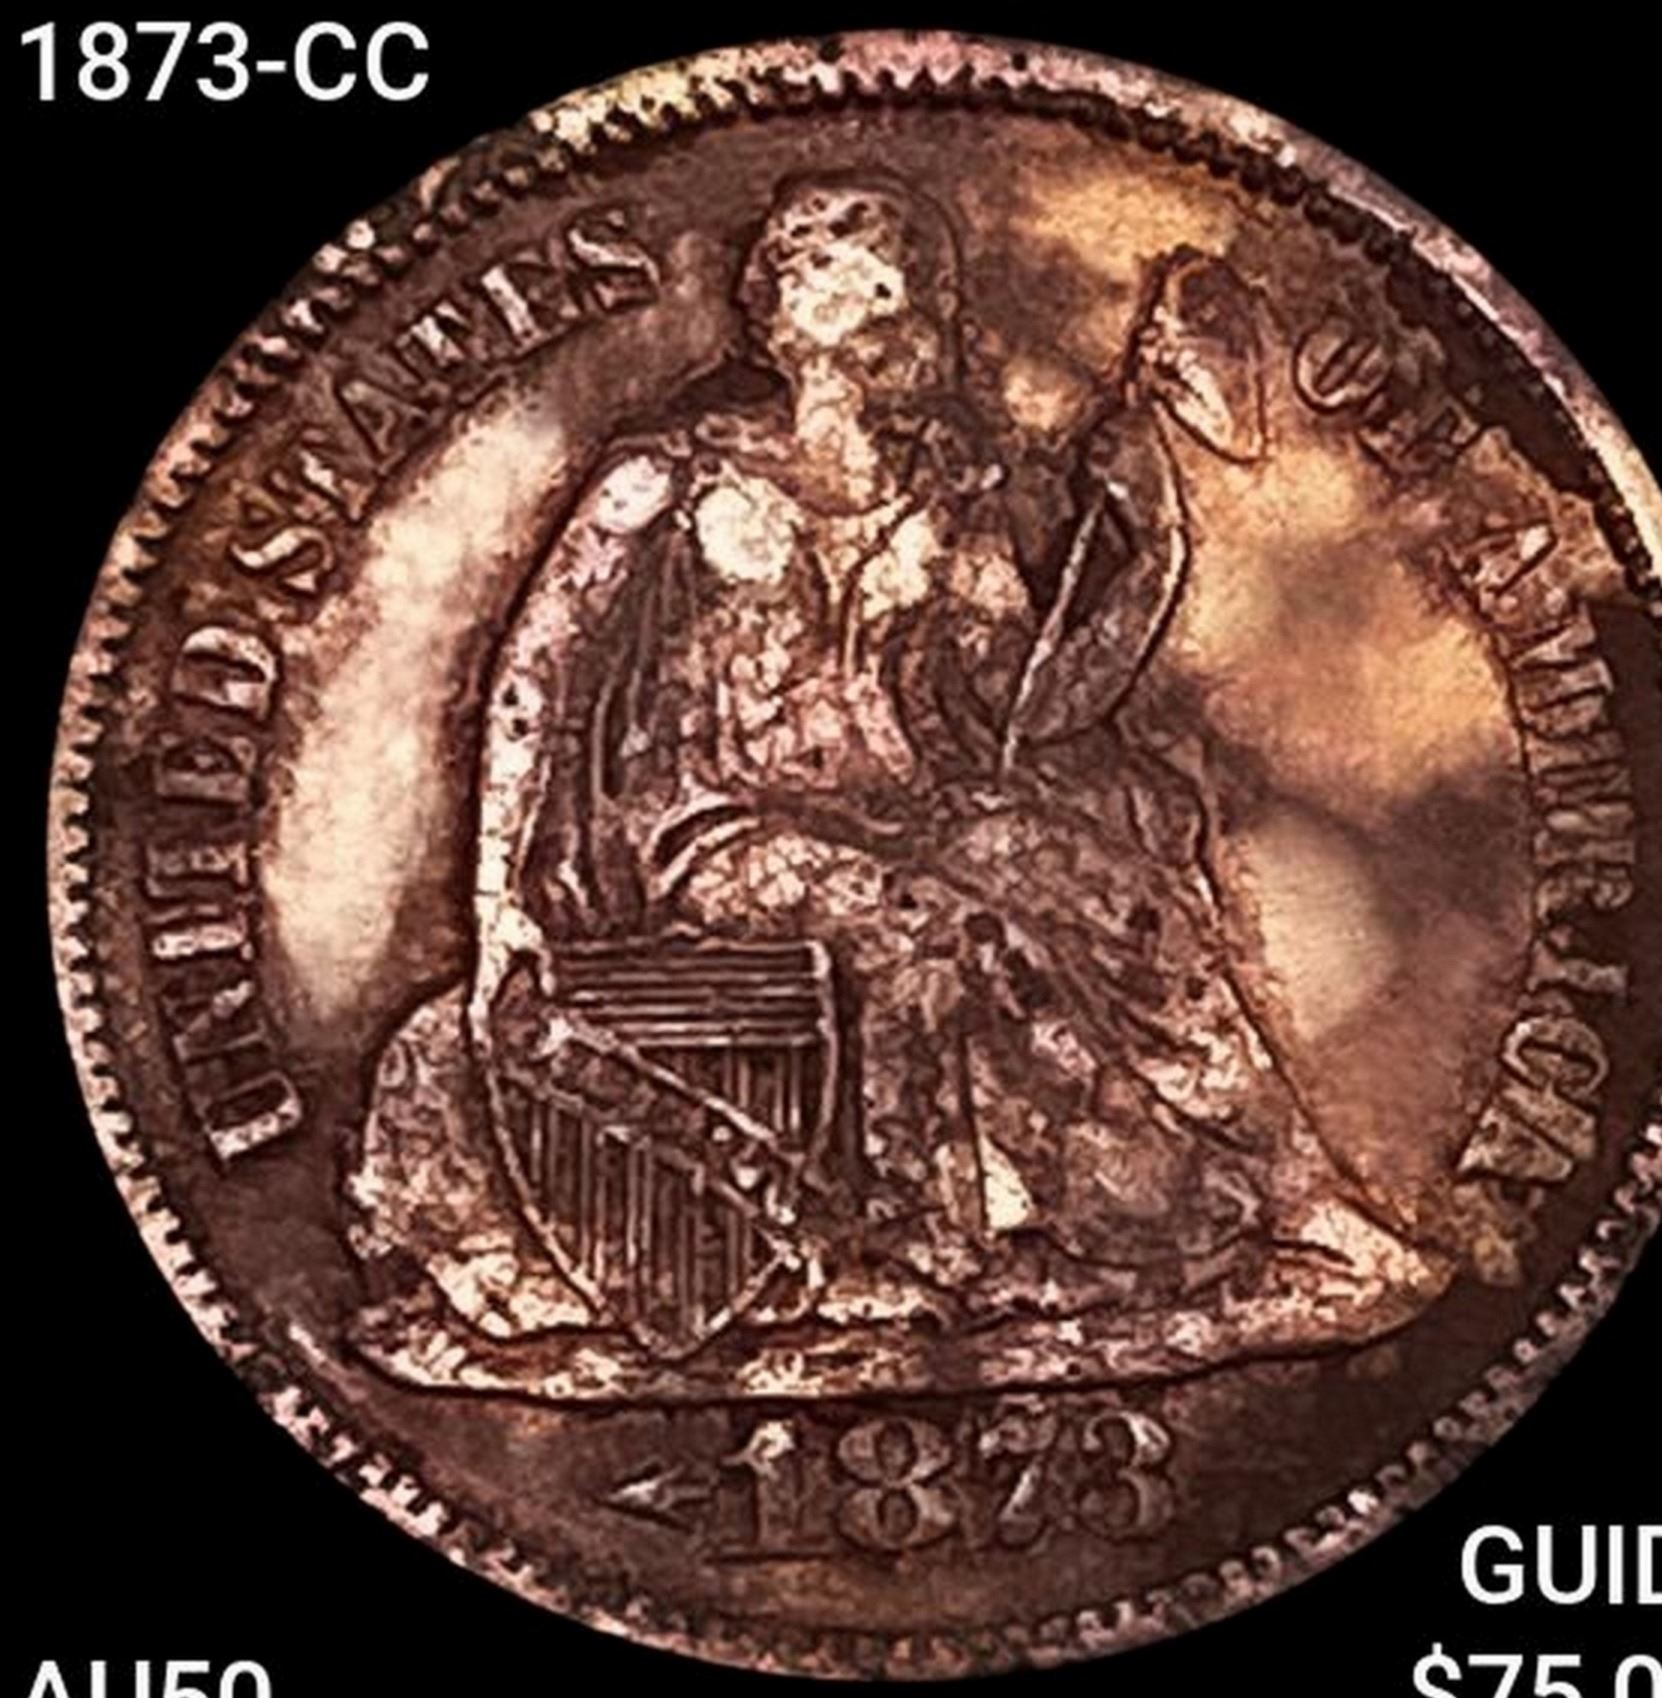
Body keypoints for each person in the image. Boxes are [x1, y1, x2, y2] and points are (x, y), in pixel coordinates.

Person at [352, 169, 1447, 1388]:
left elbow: (1030, 716)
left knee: (1116, 887)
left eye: (922, 300)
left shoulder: (950, 492)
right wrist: (499, 906)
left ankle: (1304, 1203)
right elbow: (532, 684)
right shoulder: (667, 481)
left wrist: (1148, 555)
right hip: (716, 835)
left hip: (918, 805)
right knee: (927, 923)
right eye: (892, 302)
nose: (923, 329)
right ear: (802, 319)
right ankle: (933, 1251)